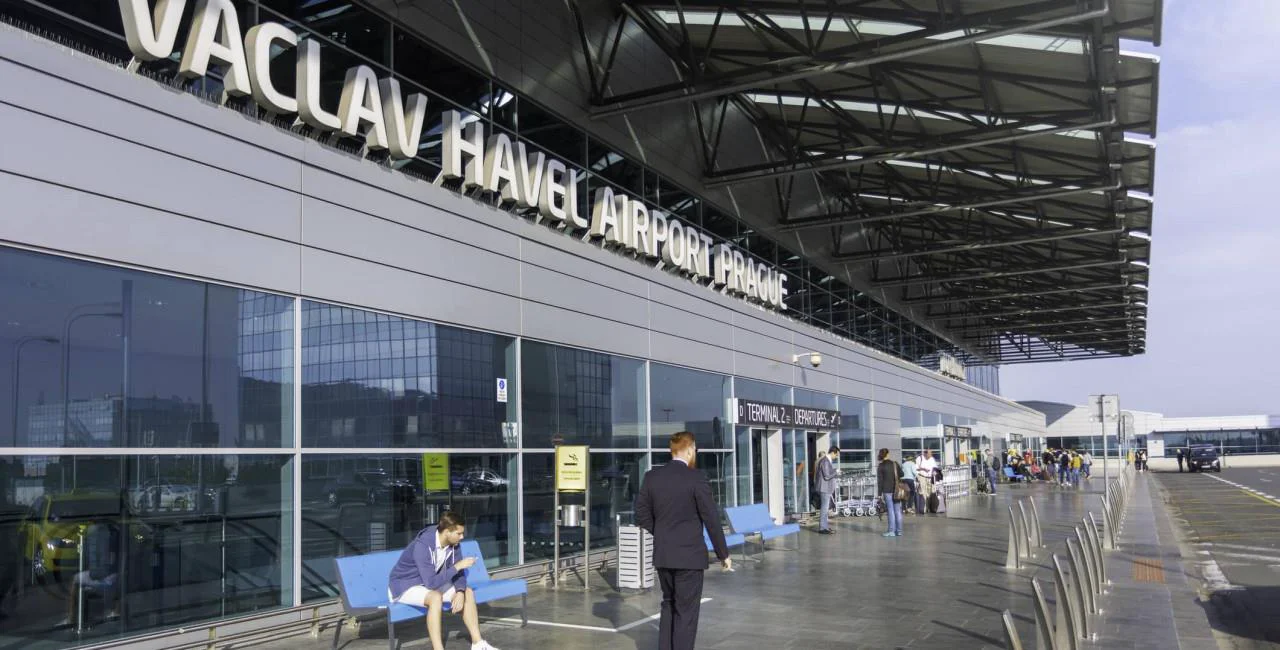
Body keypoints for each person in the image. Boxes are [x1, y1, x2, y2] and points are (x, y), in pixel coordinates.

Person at [636, 432, 732, 650]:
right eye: (694, 450)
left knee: (669, 604)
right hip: (689, 557)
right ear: (689, 450)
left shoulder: (652, 477)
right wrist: (723, 554)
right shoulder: (696, 478)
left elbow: (641, 513)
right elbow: (711, 518)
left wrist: (660, 532)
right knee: (686, 613)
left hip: (664, 554)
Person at [387, 511, 498, 650]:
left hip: (426, 582)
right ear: (447, 532)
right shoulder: (422, 546)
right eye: (459, 533)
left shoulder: (454, 544)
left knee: (468, 592)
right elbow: (432, 583)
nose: (462, 537)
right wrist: (457, 566)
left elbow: (458, 572)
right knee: (435, 597)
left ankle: (478, 643)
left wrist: (460, 591)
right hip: (405, 585)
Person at [877, 449, 903, 537]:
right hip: (896, 490)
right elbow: (902, 474)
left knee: (890, 511)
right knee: (897, 511)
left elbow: (880, 481)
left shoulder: (881, 466)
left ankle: (891, 531)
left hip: (886, 491)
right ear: (887, 454)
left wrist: (879, 494)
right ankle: (899, 531)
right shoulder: (895, 464)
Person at [815, 445, 839, 535]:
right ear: (832, 453)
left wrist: (834, 471)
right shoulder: (825, 461)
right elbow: (827, 476)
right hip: (824, 488)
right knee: (824, 509)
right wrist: (836, 472)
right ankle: (822, 528)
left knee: (825, 508)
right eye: (836, 455)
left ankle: (825, 527)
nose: (836, 457)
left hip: (826, 488)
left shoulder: (826, 461)